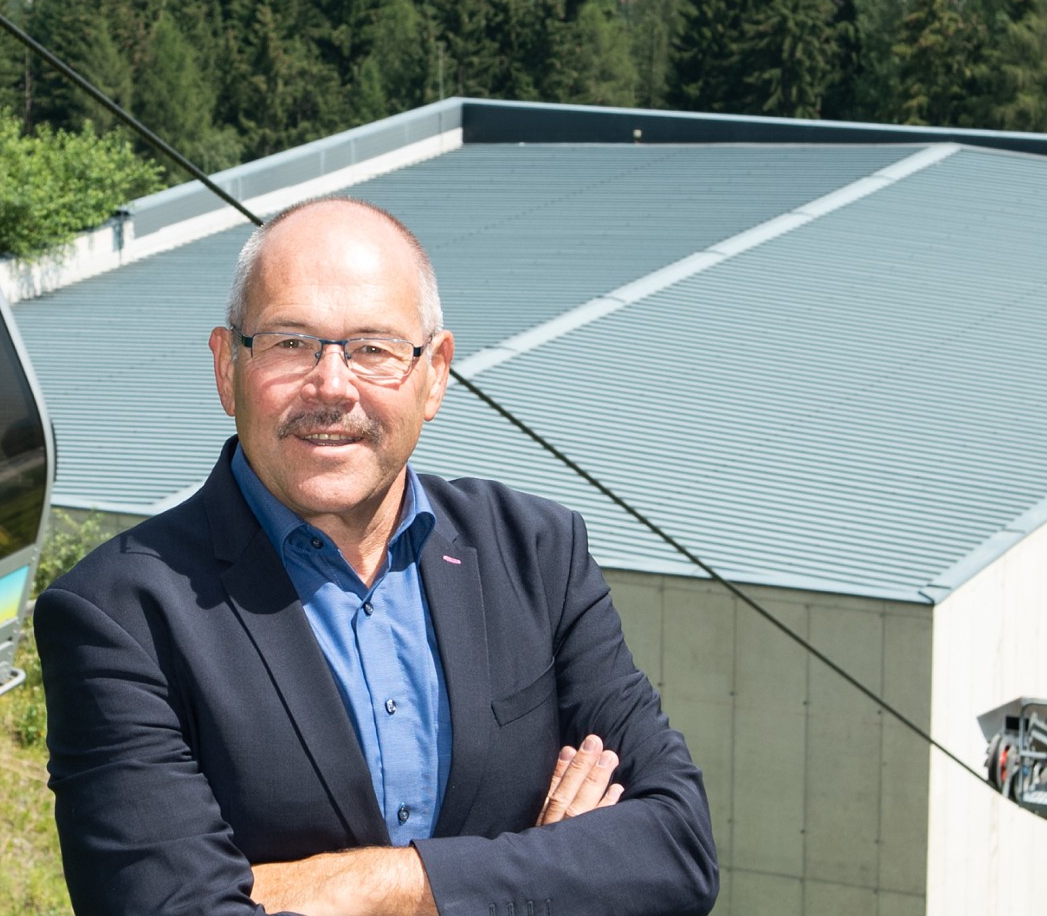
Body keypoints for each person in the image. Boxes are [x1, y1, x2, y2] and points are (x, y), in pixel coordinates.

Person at [35, 197, 718, 915]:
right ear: (226, 367)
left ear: (436, 374)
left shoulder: (538, 555)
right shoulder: (119, 616)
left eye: (374, 349)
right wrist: (546, 874)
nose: (331, 386)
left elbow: (677, 849)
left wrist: (362, 886)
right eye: (290, 343)